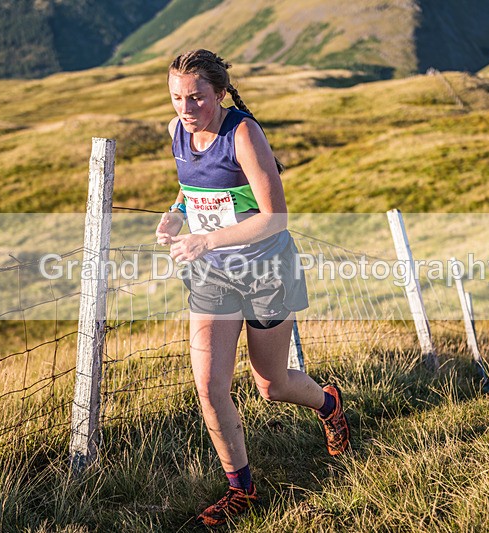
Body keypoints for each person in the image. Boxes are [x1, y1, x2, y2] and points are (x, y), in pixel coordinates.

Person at [155, 49, 350, 527]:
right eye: (178, 98)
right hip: (211, 276)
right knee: (208, 384)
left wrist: (207, 238)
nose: (186, 108)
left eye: (197, 97)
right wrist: (177, 215)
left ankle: (328, 403)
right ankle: (241, 487)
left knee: (271, 384)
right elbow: (190, 187)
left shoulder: (242, 133)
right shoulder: (176, 132)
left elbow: (275, 217)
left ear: (219, 93)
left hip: (266, 273)